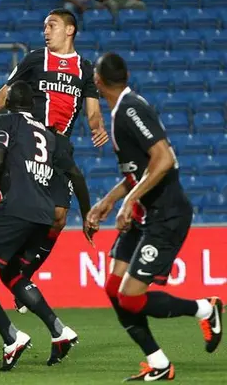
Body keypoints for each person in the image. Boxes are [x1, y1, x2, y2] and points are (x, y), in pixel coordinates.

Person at [87, 53, 223, 382]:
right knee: (113, 287)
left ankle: (204, 309)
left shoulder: (130, 108)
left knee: (131, 297)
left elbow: (164, 159)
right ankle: (159, 362)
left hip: (166, 214)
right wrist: (108, 201)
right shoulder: (123, 109)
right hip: (144, 213)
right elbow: (141, 170)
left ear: (98, 81)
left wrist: (127, 202)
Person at [0, 8, 107, 312]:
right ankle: (9, 260)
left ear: (70, 29)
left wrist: (97, 126)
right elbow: (8, 89)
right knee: (29, 208)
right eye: (45, 26)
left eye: (51, 25)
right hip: (29, 141)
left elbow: (92, 109)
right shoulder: (36, 59)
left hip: (60, 145)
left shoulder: (85, 69)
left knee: (60, 216)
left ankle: (24, 274)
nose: (46, 31)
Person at [0, 81, 78, 371]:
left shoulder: (7, 121)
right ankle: (59, 330)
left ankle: (12, 337)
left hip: (16, 209)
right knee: (11, 272)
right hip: (42, 214)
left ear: (9, 103)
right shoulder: (47, 135)